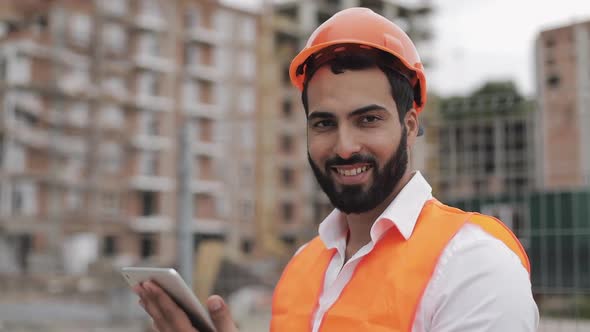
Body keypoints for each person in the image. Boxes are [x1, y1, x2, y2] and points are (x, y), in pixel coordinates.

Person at [134, 7, 539, 332]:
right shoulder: (300, 269)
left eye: (368, 120)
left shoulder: (475, 265)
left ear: (410, 126)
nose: (344, 147)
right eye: (324, 123)